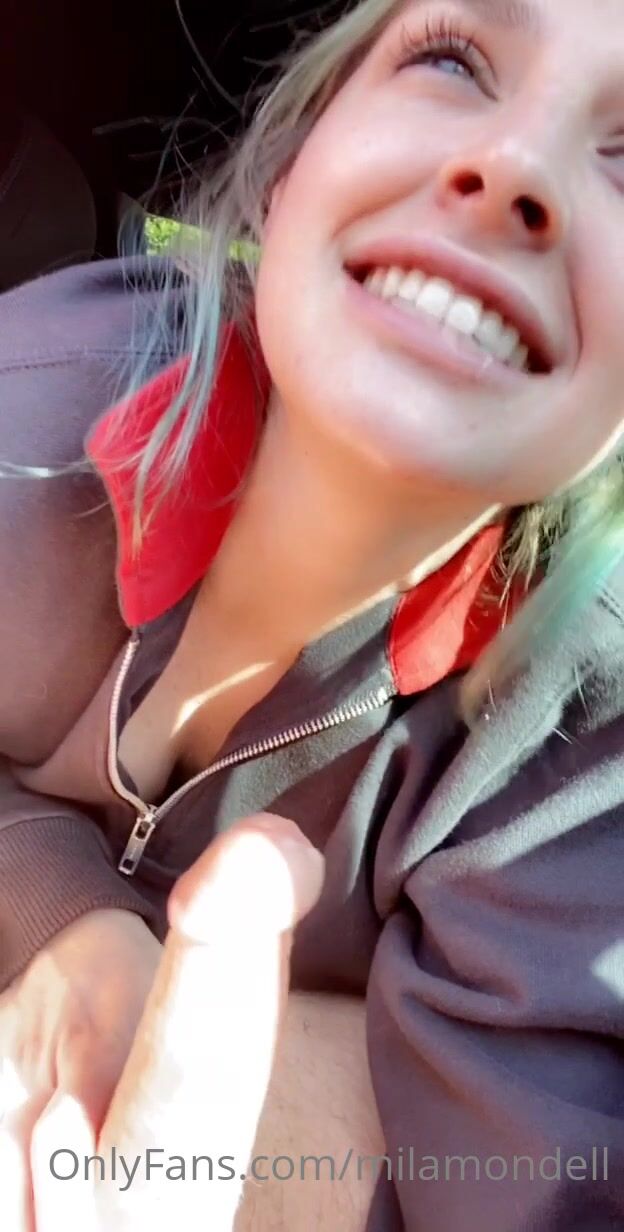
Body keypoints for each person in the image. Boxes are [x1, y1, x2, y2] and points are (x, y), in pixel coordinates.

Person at [0, 0, 623, 1228]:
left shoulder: (579, 739)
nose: (513, 166)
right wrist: (70, 916)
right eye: (452, 59)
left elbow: (528, 1181)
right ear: (289, 166)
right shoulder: (32, 412)